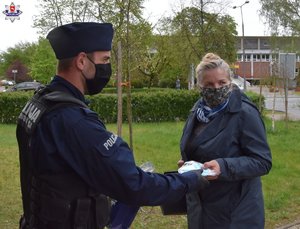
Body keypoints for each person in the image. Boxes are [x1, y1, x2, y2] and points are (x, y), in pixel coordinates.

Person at [16, 22, 208, 229]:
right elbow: (133, 185)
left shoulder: (40, 102)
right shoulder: (72, 119)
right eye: (105, 60)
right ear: (82, 61)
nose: (108, 68)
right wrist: (191, 179)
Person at [178, 53, 272, 229]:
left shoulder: (244, 113)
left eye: (222, 83)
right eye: (209, 84)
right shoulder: (198, 111)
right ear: (200, 86)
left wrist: (223, 167)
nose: (216, 88)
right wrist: (189, 164)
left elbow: (263, 162)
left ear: (230, 82)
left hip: (236, 214)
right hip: (202, 210)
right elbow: (198, 147)